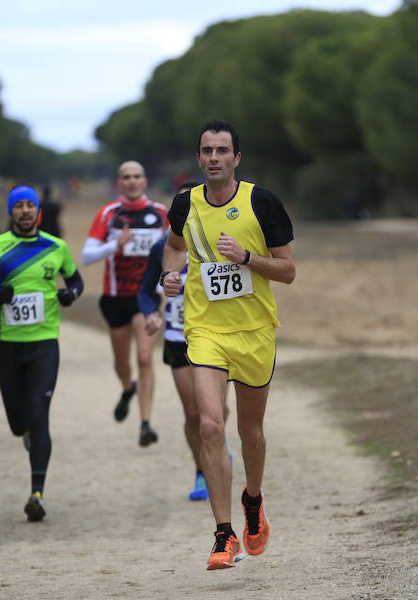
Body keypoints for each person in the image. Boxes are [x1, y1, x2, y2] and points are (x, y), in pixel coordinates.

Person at [162, 120, 295, 570]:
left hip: (255, 330)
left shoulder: (261, 202)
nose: (214, 158)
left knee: (250, 433)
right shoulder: (185, 204)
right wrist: (169, 276)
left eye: (222, 150)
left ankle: (253, 500)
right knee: (210, 426)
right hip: (204, 330)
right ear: (198, 158)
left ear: (237, 158)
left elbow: (288, 270)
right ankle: (223, 535)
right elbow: (174, 247)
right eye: (207, 150)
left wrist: (246, 258)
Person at [0, 185, 83, 522]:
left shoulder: (55, 247)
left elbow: (76, 281)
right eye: (20, 206)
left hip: (44, 342)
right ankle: (25, 433)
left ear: (37, 211)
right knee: (18, 422)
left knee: (39, 411)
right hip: (5, 344)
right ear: (11, 212)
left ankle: (36, 494)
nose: (26, 211)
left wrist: (70, 294)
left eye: (31, 205)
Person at [138, 180, 230, 501]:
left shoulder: (219, 243)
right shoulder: (161, 249)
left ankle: (217, 442)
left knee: (218, 409)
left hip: (218, 334)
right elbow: (145, 291)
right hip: (179, 338)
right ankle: (203, 470)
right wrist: (150, 312)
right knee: (193, 413)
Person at [82, 161, 168, 447]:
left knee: (144, 358)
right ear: (119, 182)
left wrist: (161, 284)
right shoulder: (108, 214)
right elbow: (86, 256)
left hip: (145, 298)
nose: (132, 181)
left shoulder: (161, 214)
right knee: (122, 363)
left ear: (145, 181)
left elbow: (174, 253)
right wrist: (114, 246)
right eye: (126, 177)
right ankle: (127, 388)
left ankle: (145, 424)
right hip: (114, 298)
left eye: (137, 177)